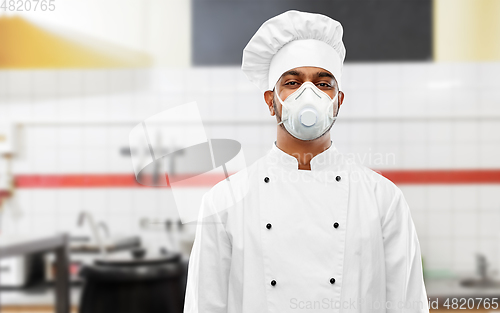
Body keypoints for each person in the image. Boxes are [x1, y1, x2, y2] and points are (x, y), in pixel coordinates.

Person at [183, 10, 429, 313]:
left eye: (323, 84)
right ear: (271, 101)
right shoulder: (224, 202)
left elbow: (407, 305)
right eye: (292, 82)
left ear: (338, 101)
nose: (308, 94)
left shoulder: (383, 199)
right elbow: (204, 306)